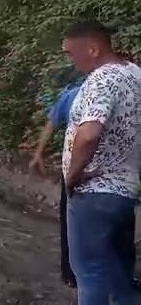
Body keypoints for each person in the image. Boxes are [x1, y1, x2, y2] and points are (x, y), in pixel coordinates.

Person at [61, 20, 141, 305]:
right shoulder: (135, 75)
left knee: (90, 275)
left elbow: (89, 133)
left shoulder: (101, 79)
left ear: (93, 49)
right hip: (125, 194)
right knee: (122, 277)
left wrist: (72, 175)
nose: (68, 60)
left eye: (70, 53)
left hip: (93, 192)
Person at [29, 72, 83, 288]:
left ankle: (70, 272)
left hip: (75, 167)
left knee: (71, 219)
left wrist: (38, 153)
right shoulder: (75, 93)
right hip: (96, 170)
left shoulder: (70, 93)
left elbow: (51, 123)